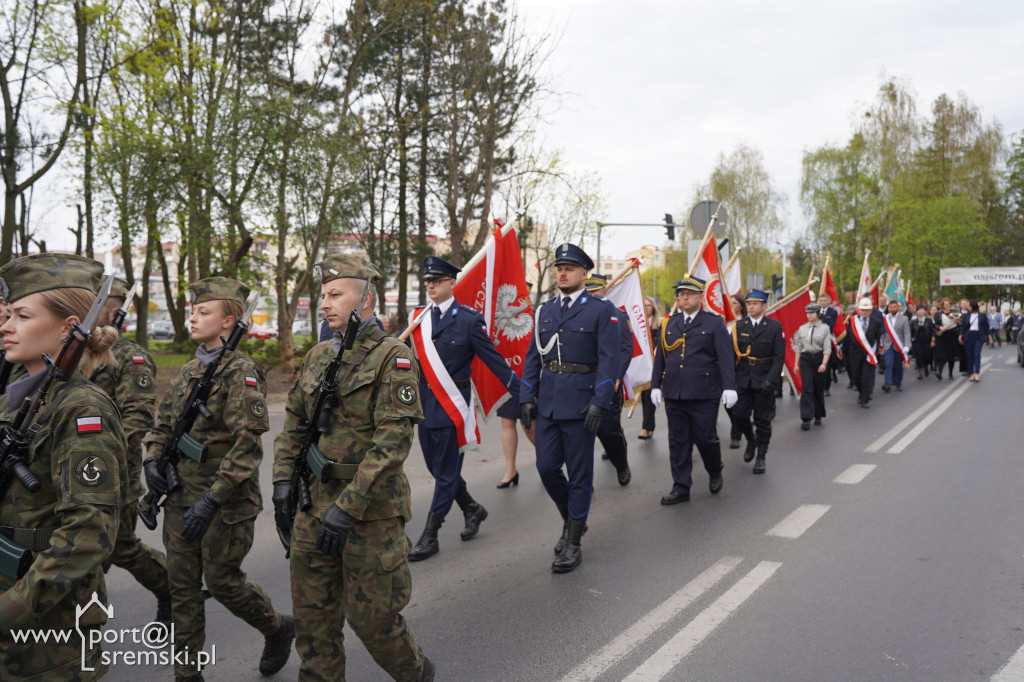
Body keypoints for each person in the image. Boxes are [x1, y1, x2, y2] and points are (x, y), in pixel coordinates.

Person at [273, 255, 434, 682]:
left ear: (364, 298)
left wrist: (349, 506)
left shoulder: (392, 357)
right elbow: (294, 426)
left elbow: (393, 441)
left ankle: (417, 673)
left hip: (369, 513)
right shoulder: (318, 355)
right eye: (322, 295)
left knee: (374, 621)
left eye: (334, 294)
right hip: (312, 508)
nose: (324, 303)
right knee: (313, 626)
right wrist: (282, 484)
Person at [143, 277, 293, 682]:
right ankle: (187, 674)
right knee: (183, 588)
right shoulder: (191, 370)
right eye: (192, 310)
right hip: (179, 495)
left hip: (225, 502)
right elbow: (164, 425)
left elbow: (247, 446)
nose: (193, 317)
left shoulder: (240, 373)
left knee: (223, 582)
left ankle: (277, 628)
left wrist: (212, 499)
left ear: (229, 321)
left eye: (203, 312)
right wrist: (153, 461)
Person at [0, 253, 127, 679]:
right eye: (7, 314)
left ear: (69, 327)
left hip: (45, 624)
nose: (5, 326)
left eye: (20, 315)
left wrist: (12, 609)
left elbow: (88, 532)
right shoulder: (15, 400)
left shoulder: (81, 408)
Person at [405, 256, 520, 562]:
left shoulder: (469, 319)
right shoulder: (418, 318)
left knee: (446, 473)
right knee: (437, 469)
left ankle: (431, 534)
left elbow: (493, 359)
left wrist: (523, 392)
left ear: (452, 283)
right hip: (425, 403)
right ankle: (472, 507)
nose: (431, 285)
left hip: (453, 404)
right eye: (428, 281)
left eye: (437, 281)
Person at [520, 243, 618, 573]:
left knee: (579, 475)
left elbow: (609, 360)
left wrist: (600, 401)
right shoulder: (545, 311)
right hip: (548, 402)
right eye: (559, 268)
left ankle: (573, 541)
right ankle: (572, 520)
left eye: (569, 268)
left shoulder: (601, 310)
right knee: (547, 468)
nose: (562, 273)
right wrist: (526, 396)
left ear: (583, 274)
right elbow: (534, 358)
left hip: (581, 403)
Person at [89, 277, 172, 623]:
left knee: (118, 546)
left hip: (112, 475)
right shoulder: (79, 352)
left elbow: (137, 419)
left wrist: (97, 461)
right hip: (72, 472)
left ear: (112, 308)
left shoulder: (128, 356)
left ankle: (173, 590)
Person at [650, 276, 736, 502]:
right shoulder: (670, 322)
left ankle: (715, 469)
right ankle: (681, 487)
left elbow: (726, 358)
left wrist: (729, 387)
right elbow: (661, 357)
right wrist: (655, 385)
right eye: (680, 293)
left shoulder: (713, 322)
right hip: (675, 391)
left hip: (703, 392)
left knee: (705, 438)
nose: (684, 297)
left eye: (689, 293)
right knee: (678, 441)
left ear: (700, 296)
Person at [730, 289, 783, 473]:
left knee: (762, 420)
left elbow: (778, 358)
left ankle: (761, 455)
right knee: (739, 415)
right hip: (743, 378)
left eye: (754, 303)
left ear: (763, 306)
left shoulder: (774, 327)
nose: (751, 306)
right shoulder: (739, 326)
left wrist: (771, 380)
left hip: (764, 378)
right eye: (749, 304)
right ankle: (751, 441)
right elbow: (731, 355)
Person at [587, 274, 633, 486]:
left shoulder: (618, 315)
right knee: (580, 435)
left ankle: (621, 463)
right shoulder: (577, 314)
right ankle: (583, 481)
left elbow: (626, 348)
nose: (591, 296)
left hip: (607, 381)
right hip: (582, 382)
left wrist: (616, 376)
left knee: (608, 430)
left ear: (604, 291)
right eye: (588, 292)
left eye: (595, 291)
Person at [496, 282, 536, 488]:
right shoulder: (500, 318)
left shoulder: (537, 315)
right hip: (509, 375)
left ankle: (546, 460)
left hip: (531, 377)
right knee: (507, 421)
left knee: (529, 425)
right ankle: (510, 470)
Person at [794, 303, 831, 430]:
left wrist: (824, 364)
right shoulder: (802, 328)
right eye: (807, 313)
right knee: (807, 388)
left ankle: (818, 414)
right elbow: (798, 347)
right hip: (806, 359)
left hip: (819, 358)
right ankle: (806, 418)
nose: (809, 315)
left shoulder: (825, 328)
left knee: (817, 388)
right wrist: (796, 364)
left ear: (818, 314)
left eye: (812, 313)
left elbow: (827, 348)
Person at [847, 297, 882, 408]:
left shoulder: (876, 322)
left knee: (867, 376)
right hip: (855, 354)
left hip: (868, 354)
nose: (865, 312)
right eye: (862, 309)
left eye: (867, 310)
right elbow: (848, 337)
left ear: (871, 310)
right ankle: (861, 393)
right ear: (859, 310)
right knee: (856, 377)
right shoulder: (852, 321)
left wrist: (877, 353)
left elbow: (878, 338)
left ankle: (864, 399)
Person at [638, 296, 663, 441]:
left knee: (649, 395)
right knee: (643, 395)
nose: (646, 308)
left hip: (653, 363)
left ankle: (646, 427)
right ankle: (648, 426)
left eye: (648, 305)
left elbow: (659, 343)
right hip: (642, 363)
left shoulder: (659, 324)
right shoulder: (638, 323)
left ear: (653, 307)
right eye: (644, 305)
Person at [725, 293, 748, 450]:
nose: (732, 305)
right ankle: (737, 423)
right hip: (725, 367)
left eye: (735, 303)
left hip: (741, 366)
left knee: (738, 403)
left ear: (741, 305)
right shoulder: (724, 322)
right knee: (727, 403)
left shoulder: (745, 322)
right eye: (730, 302)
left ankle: (736, 435)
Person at [879, 299, 912, 393]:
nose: (892, 309)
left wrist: (907, 345)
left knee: (898, 366)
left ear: (897, 308)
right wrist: (881, 345)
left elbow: (906, 333)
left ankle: (898, 383)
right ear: (888, 308)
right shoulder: (884, 318)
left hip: (900, 346)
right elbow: (882, 333)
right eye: (890, 307)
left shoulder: (904, 318)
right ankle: (887, 385)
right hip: (888, 346)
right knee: (888, 364)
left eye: (894, 307)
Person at [959, 299, 988, 382]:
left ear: (973, 306)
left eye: (968, 305)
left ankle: (977, 373)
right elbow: (963, 327)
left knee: (976, 354)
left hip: (978, 336)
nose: (967, 307)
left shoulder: (982, 315)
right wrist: (960, 336)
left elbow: (986, 327)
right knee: (970, 355)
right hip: (969, 336)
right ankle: (971, 373)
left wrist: (988, 337)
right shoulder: (966, 316)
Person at [817, 293, 840, 396]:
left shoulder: (833, 312)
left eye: (824, 300)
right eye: (820, 300)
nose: (822, 302)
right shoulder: (815, 311)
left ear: (828, 301)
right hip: (817, 342)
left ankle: (827, 387)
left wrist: (820, 322)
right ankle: (819, 387)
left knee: (827, 365)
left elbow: (830, 325)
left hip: (828, 341)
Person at [933, 299, 960, 380]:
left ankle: (950, 373)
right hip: (942, 336)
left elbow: (961, 322)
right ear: (942, 305)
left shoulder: (955, 312)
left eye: (949, 304)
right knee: (941, 354)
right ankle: (939, 373)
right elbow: (935, 324)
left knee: (951, 355)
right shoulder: (938, 313)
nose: (948, 306)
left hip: (952, 335)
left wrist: (957, 321)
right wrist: (939, 327)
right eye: (946, 304)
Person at [910, 304, 935, 380]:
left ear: (925, 311)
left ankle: (926, 367)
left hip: (927, 341)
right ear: (916, 311)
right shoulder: (913, 321)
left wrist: (933, 340)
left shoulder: (929, 320)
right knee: (919, 356)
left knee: (927, 356)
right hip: (917, 342)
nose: (920, 311)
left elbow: (933, 331)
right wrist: (910, 343)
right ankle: (920, 372)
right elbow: (910, 333)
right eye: (919, 310)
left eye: (922, 310)